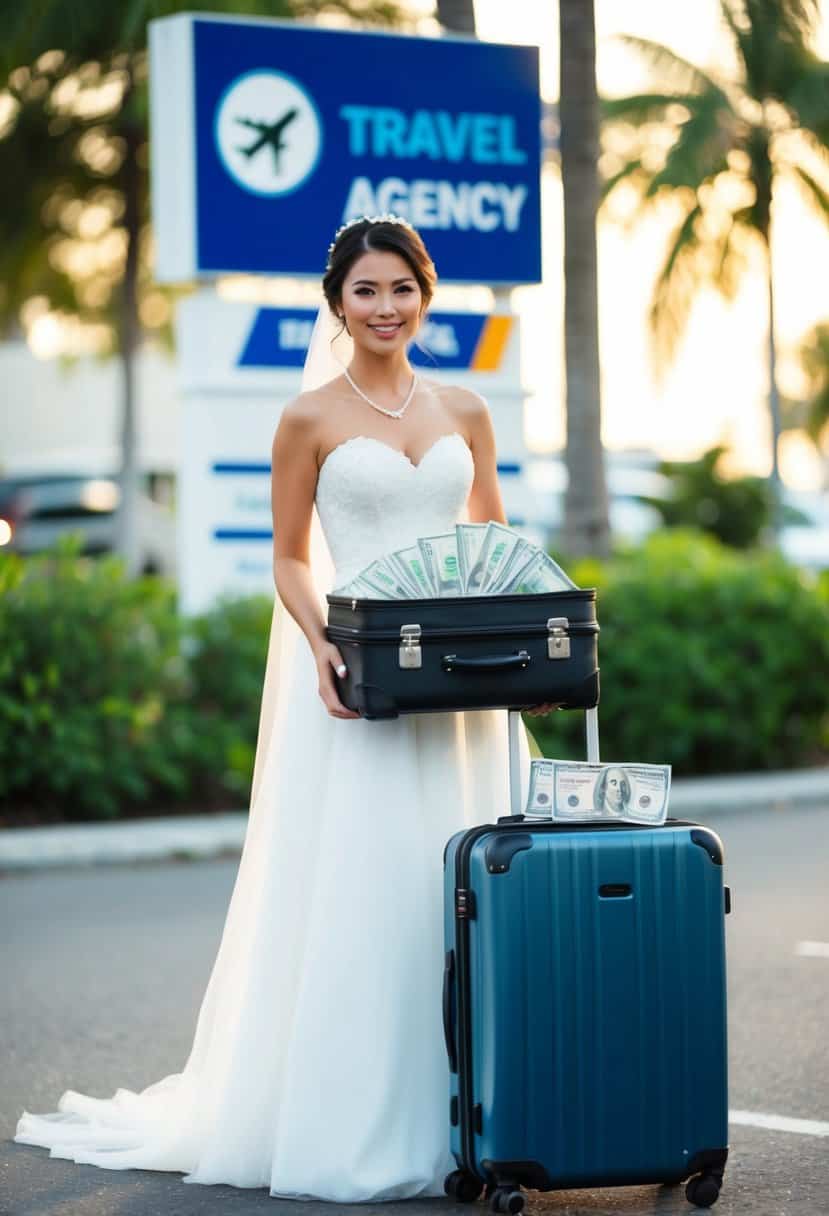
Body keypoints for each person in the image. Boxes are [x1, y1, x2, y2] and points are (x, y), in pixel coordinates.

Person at [14, 215, 556, 1202]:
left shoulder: (467, 410)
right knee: (372, 891)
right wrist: (323, 647)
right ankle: (362, 1117)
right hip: (361, 684)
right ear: (337, 303)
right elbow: (290, 556)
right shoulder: (307, 417)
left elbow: (492, 543)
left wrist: (514, 658)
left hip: (464, 696)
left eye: (401, 288)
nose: (385, 307)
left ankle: (484, 1113)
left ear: (424, 294)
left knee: (481, 895)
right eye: (366, 291)